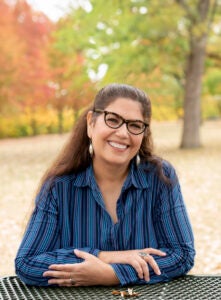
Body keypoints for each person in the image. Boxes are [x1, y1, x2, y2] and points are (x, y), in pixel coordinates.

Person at [15, 83, 195, 287]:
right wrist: (107, 256)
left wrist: (113, 274)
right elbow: (28, 263)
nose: (123, 133)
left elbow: (182, 254)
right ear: (91, 123)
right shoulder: (59, 186)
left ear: (143, 133)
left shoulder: (159, 177)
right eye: (113, 120)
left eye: (135, 125)